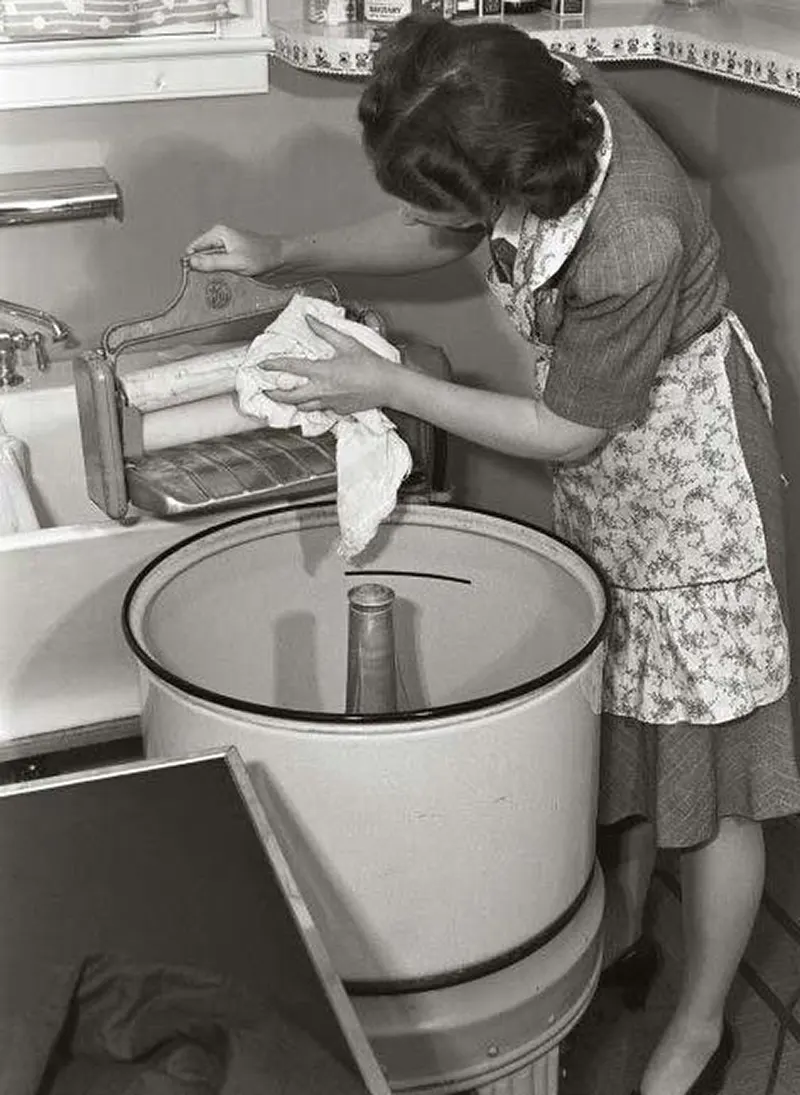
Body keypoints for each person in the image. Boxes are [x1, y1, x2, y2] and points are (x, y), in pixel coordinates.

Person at [186, 14, 800, 1095]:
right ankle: (624, 936)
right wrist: (283, 254)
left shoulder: (635, 234)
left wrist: (382, 387)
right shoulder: (524, 95)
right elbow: (444, 225)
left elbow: (569, 428)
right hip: (613, 466)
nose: (439, 216)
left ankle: (699, 1028)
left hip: (692, 478)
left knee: (713, 774)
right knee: (622, 711)